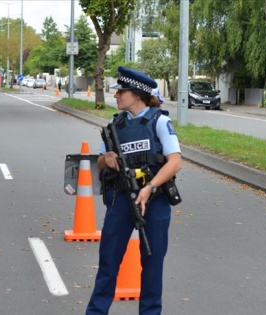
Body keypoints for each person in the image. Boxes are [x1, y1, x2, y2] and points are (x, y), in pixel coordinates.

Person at [86, 66, 182, 315]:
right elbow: (98, 161)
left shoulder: (160, 121)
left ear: (137, 94)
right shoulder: (115, 126)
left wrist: (150, 188)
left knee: (152, 264)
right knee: (108, 262)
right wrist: (106, 156)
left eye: (121, 92)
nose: (116, 96)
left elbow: (175, 161)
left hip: (155, 200)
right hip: (121, 199)